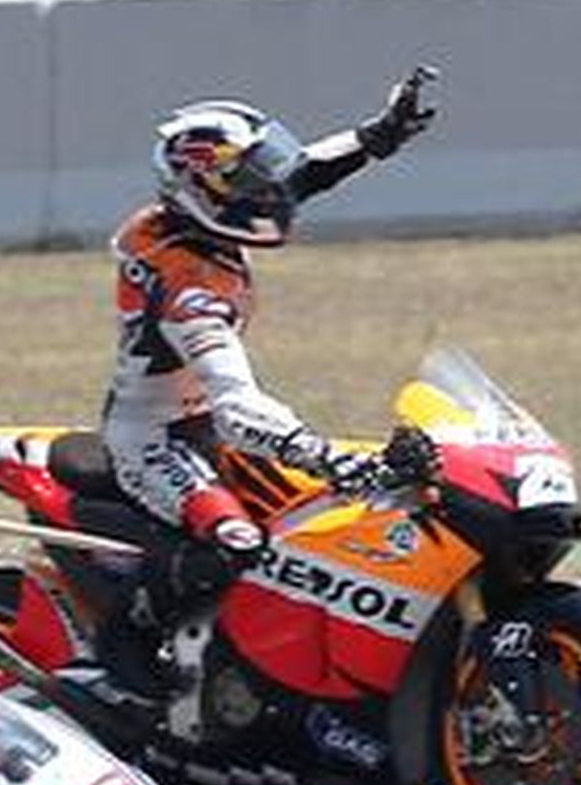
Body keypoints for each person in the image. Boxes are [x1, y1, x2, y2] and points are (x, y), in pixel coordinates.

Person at [91, 68, 440, 696]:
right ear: (204, 187)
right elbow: (237, 408)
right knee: (236, 540)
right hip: (153, 439)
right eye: (252, 178)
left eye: (261, 171)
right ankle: (127, 644)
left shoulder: (204, 219)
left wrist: (381, 133)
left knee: (307, 529)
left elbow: (306, 172)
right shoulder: (187, 283)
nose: (272, 189)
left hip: (197, 424)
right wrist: (324, 455)